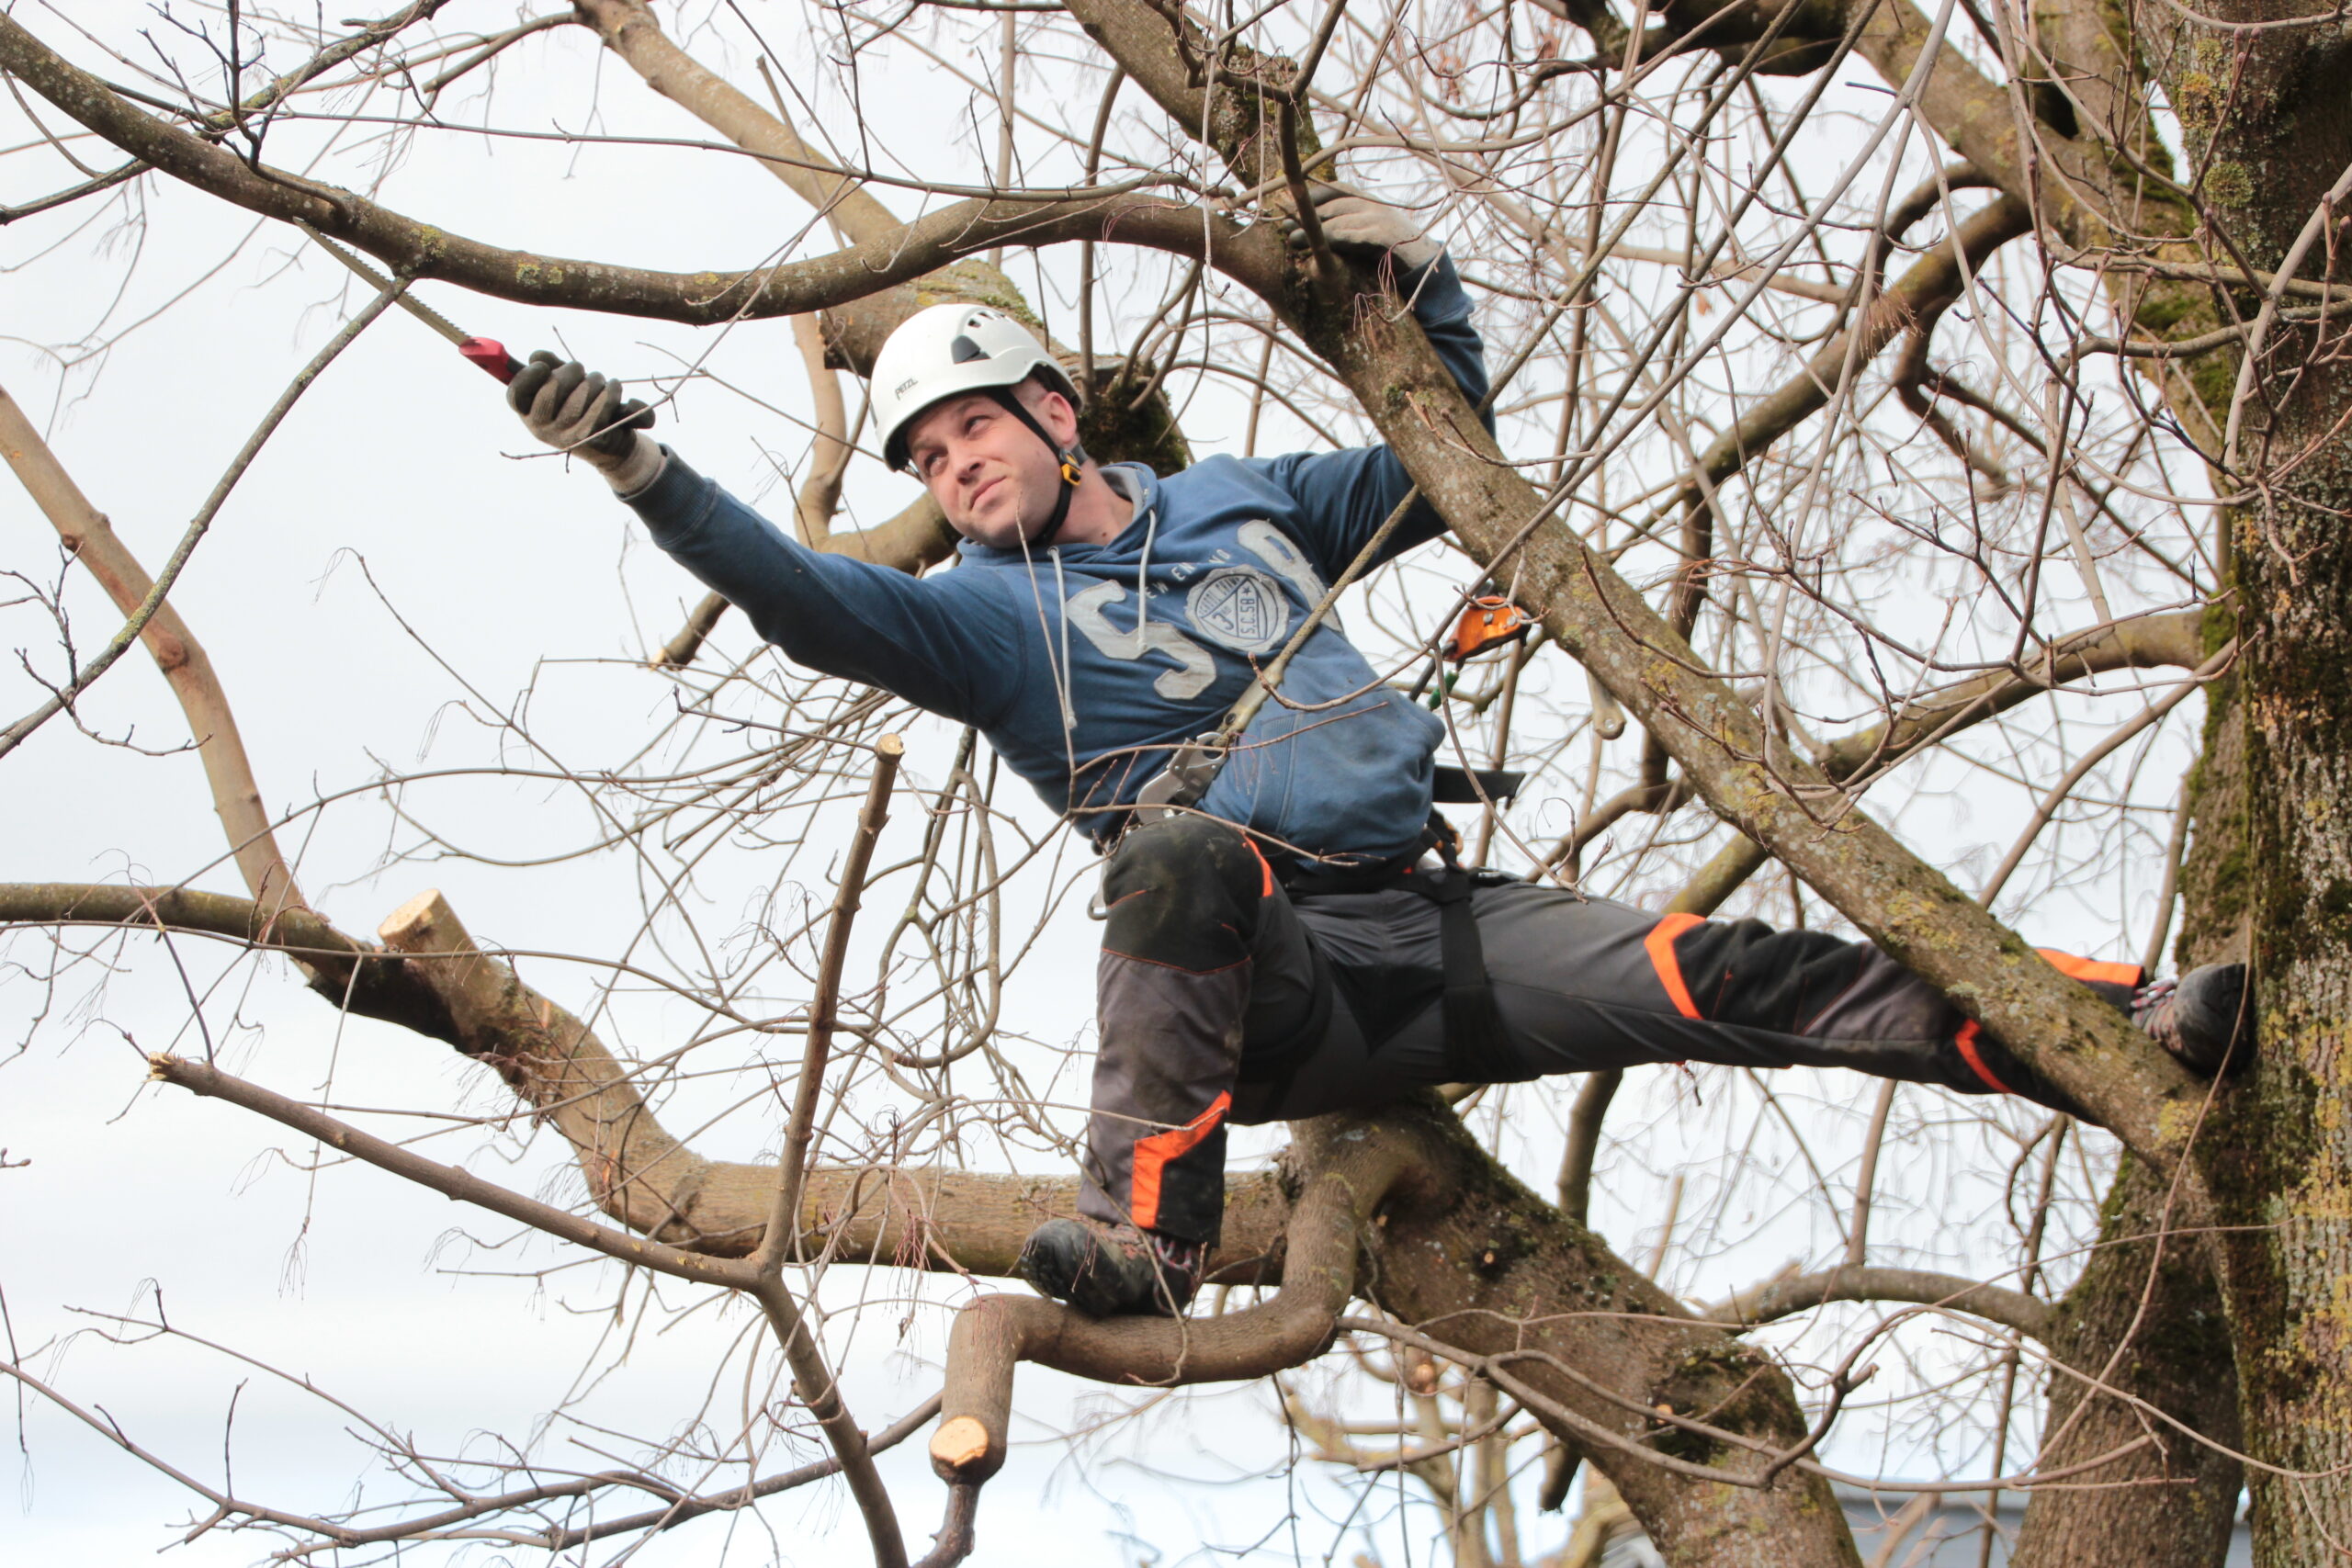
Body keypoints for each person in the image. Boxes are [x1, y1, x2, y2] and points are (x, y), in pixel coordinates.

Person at [506, 186, 2251, 1319]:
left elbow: (1440, 459)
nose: (956, 469)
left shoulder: (1241, 499)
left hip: (1431, 930)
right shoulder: (974, 619)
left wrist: (1420, 278)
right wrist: (646, 477)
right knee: (1173, 859)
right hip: (1271, 988)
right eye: (928, 457)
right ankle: (1148, 1233)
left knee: (1738, 971)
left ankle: (2126, 1023)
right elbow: (802, 596)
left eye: (977, 429)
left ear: (1055, 409)